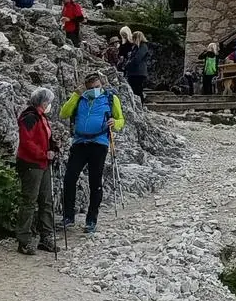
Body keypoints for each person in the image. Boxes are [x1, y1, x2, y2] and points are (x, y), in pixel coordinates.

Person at [59, 71, 124, 236]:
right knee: (69, 178)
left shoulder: (110, 99)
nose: (94, 90)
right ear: (86, 88)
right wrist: (76, 94)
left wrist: (115, 122)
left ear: (102, 84)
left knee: (95, 181)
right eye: (91, 88)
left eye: (97, 86)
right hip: (80, 142)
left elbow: (121, 120)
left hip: (99, 143)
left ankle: (91, 220)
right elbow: (64, 113)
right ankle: (68, 216)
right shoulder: (80, 98)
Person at [14, 88, 59, 256]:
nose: (50, 105)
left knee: (46, 200)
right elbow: (27, 142)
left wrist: (53, 147)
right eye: (48, 102)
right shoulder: (30, 117)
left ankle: (45, 237)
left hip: (42, 163)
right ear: (43, 102)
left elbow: (44, 139)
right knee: (29, 201)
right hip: (32, 164)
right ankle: (24, 240)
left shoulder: (40, 117)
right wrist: (44, 154)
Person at [124, 32, 152, 102]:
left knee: (138, 91)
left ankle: (140, 105)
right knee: (135, 90)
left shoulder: (143, 46)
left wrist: (128, 65)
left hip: (138, 73)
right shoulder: (136, 47)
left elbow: (137, 59)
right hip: (134, 73)